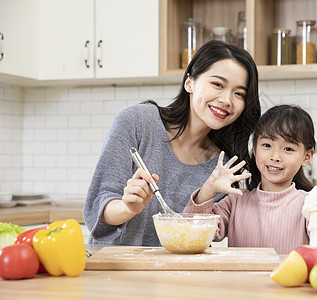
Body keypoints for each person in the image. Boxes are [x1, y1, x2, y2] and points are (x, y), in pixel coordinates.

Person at [84, 40, 261, 246]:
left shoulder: (222, 168)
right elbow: (98, 209)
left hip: (175, 275)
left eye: (239, 93)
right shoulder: (137, 122)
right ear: (189, 83)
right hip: (114, 269)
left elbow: (198, 237)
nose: (227, 100)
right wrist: (128, 208)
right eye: (218, 84)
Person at [183, 104, 317, 254]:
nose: (275, 156)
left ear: (307, 157)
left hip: (290, 290)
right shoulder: (235, 202)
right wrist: (209, 188)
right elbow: (190, 234)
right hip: (242, 290)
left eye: (288, 149)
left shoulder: (309, 204)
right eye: (267, 145)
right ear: (254, 149)